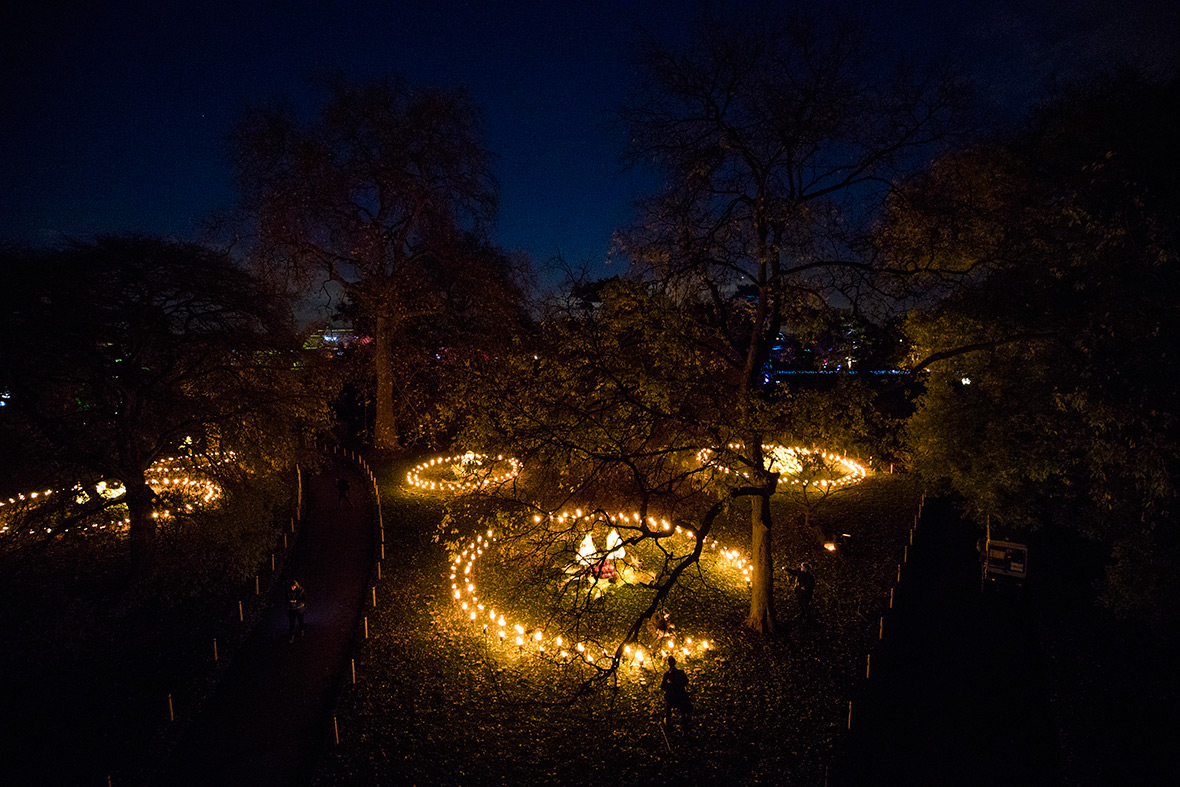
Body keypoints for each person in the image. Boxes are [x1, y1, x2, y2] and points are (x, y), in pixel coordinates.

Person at [660, 655, 693, 734]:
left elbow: (662, 687)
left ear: (668, 664)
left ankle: (668, 722)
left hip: (672, 699)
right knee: (683, 706)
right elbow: (686, 682)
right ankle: (685, 722)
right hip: (681, 698)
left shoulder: (666, 675)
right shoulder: (681, 673)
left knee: (668, 706)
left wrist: (669, 686)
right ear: (675, 663)